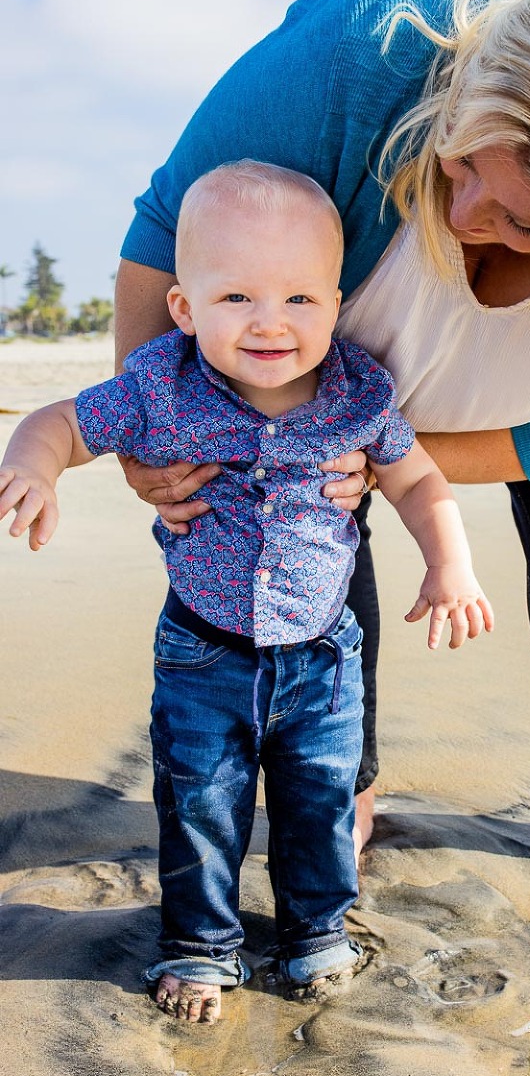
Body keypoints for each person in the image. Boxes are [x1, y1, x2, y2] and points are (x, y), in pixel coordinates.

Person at [114, 0, 530, 925]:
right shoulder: (360, 52)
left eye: (522, 221)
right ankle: (353, 786)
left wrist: (396, 457)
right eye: (462, 166)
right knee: (322, 521)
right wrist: (154, 431)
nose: (467, 219)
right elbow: (168, 227)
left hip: (513, 404)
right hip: (355, 358)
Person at [0, 160, 493, 1024]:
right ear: (186, 309)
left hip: (323, 660)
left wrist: (449, 563)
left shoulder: (359, 393)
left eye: (300, 299)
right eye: (237, 299)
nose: (271, 323)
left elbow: (418, 481)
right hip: (202, 653)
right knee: (199, 808)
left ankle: (315, 929)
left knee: (320, 805)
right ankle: (199, 945)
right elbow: (64, 422)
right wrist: (32, 468)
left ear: (335, 306)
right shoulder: (162, 386)